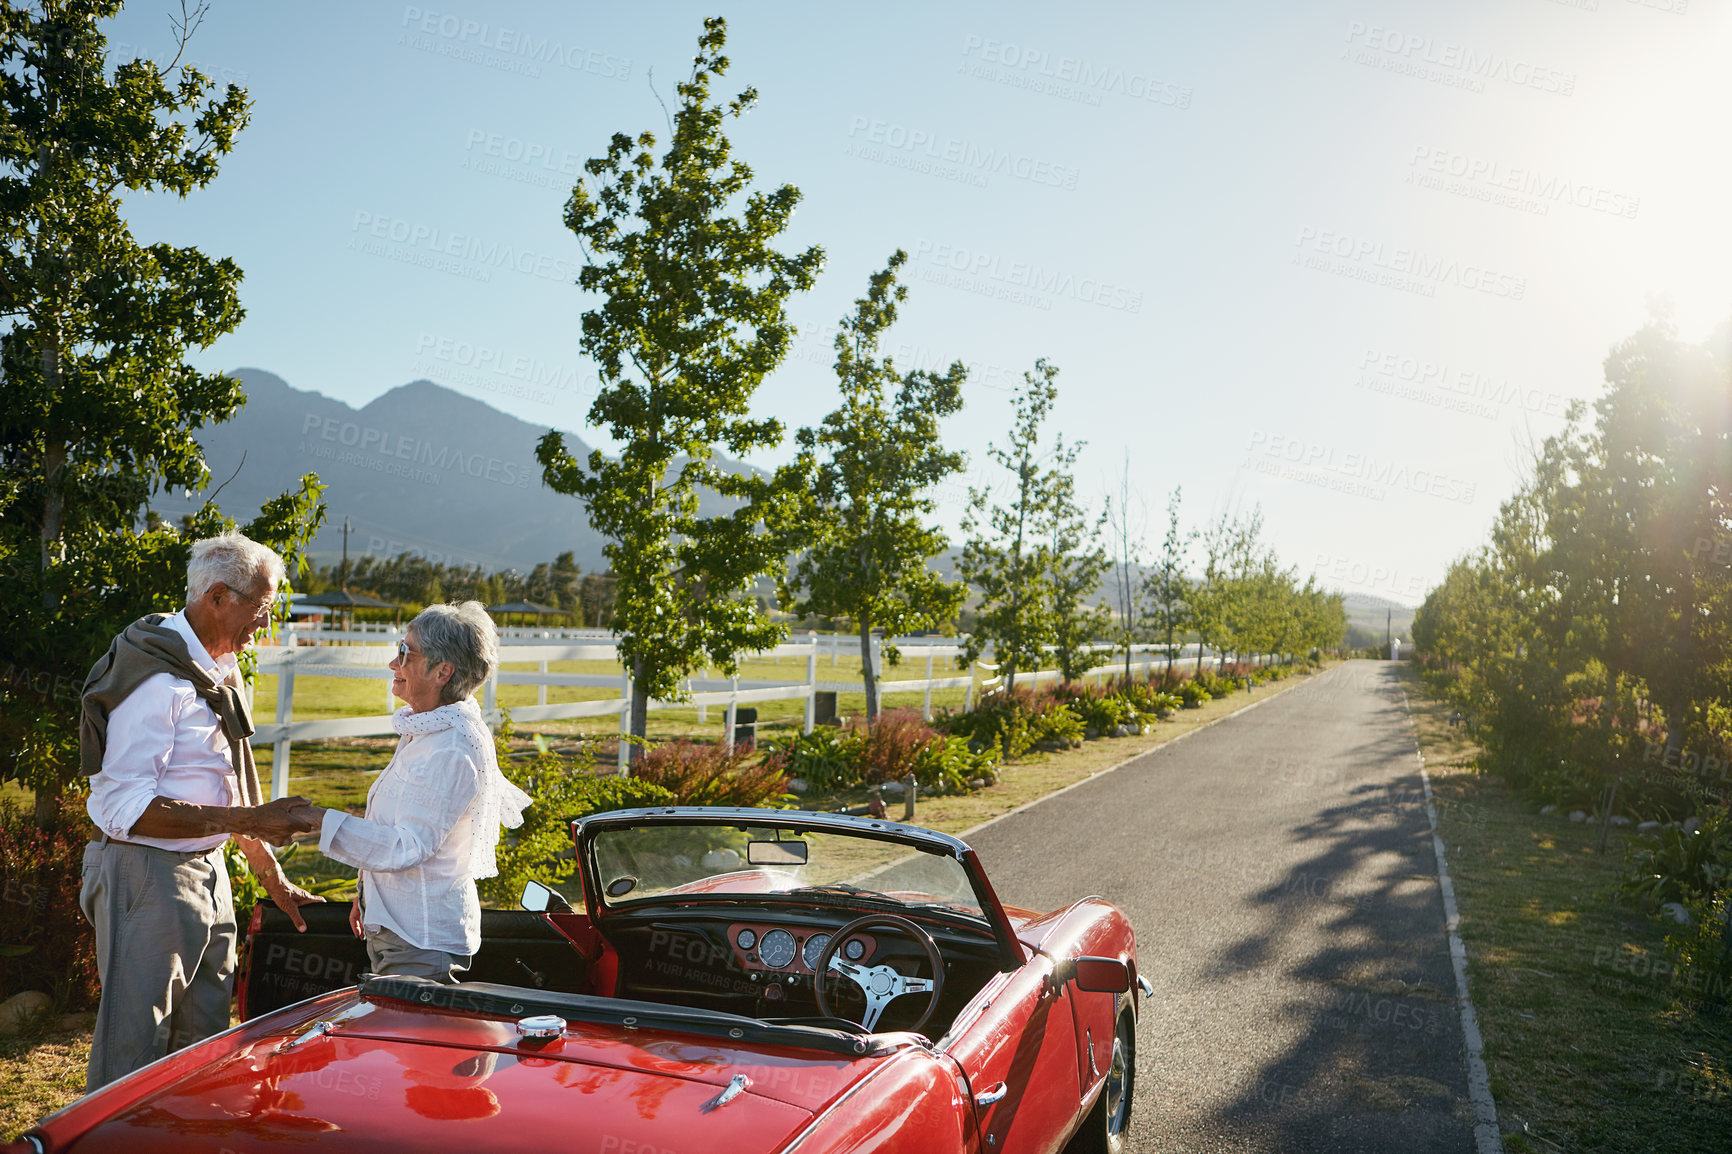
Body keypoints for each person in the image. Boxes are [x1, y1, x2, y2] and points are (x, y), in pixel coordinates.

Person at [79, 530, 324, 1091]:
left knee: (204, 1051)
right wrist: (251, 822)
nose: (266, 624)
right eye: (260, 609)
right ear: (217, 597)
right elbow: (125, 808)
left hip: (208, 875)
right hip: (148, 875)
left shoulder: (215, 667)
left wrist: (269, 873)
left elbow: (228, 782)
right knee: (133, 1055)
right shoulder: (158, 680)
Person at [306, 602, 531, 982]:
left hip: (421, 942)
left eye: (405, 653)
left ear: (443, 671)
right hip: (400, 931)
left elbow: (407, 846)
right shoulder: (429, 729)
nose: (394, 664)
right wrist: (367, 896)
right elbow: (397, 823)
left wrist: (317, 820)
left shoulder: (452, 747)